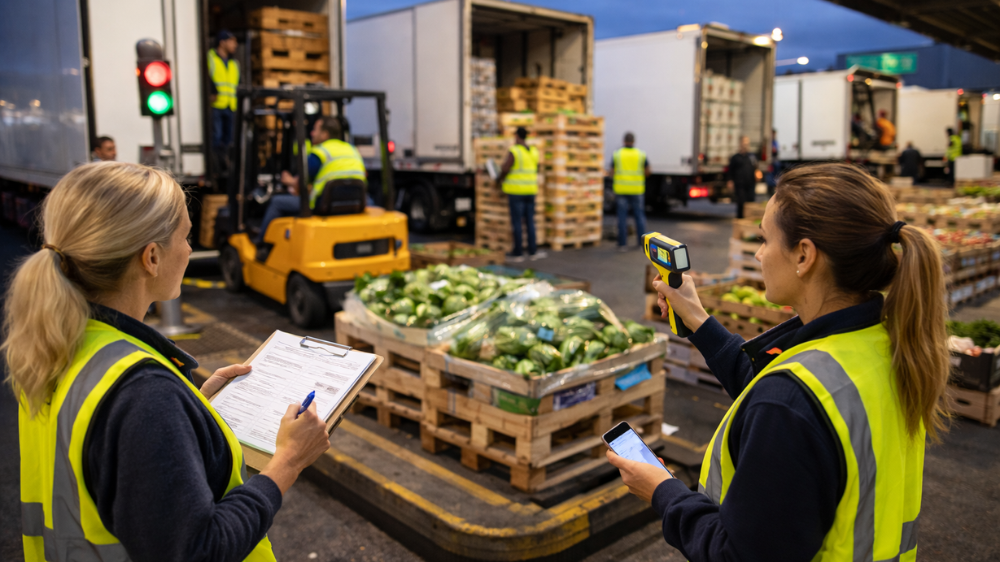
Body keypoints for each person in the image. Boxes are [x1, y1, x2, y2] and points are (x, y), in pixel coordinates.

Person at [608, 162, 949, 561]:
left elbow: (738, 554)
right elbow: (771, 387)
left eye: (764, 239)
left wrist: (662, 491)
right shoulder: (885, 341)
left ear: (804, 255)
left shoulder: (789, 403)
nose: (758, 253)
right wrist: (697, 319)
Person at [6, 162, 332, 561]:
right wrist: (288, 463)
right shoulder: (145, 395)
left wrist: (192, 406)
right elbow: (197, 551)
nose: (191, 250)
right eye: (186, 237)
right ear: (152, 258)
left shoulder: (58, 345)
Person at [255, 116, 366, 250]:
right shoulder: (352, 150)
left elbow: (299, 183)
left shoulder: (320, 152)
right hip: (353, 205)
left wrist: (288, 180)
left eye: (315, 130)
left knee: (277, 202)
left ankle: (261, 245)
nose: (312, 133)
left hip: (323, 206)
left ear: (325, 134)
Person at [496, 126, 546, 262]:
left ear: (517, 136)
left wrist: (499, 179)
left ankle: (517, 252)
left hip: (516, 191)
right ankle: (532, 251)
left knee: (517, 222)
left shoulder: (515, 151)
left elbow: (506, 168)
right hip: (531, 190)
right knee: (530, 221)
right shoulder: (534, 151)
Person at [610, 132, 650, 251]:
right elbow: (648, 171)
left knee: (622, 217)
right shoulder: (640, 154)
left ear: (624, 141)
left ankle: (622, 244)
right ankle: (641, 244)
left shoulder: (617, 154)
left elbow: (612, 172)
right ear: (633, 141)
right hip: (637, 190)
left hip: (621, 190)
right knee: (639, 216)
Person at [208, 30, 240, 173]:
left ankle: (226, 166)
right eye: (232, 41)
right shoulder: (210, 58)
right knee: (216, 137)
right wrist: (212, 92)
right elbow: (206, 77)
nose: (236, 44)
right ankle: (216, 167)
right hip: (216, 105)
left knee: (229, 139)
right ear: (222, 42)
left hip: (230, 105)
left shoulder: (234, 63)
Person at [726, 136, 760, 219]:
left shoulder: (752, 156)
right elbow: (730, 170)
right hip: (740, 184)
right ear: (740, 143)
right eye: (744, 142)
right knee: (741, 203)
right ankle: (740, 220)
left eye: (747, 143)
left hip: (750, 183)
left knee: (751, 202)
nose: (745, 144)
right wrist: (730, 181)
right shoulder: (735, 157)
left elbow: (756, 168)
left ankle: (749, 220)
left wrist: (758, 174)